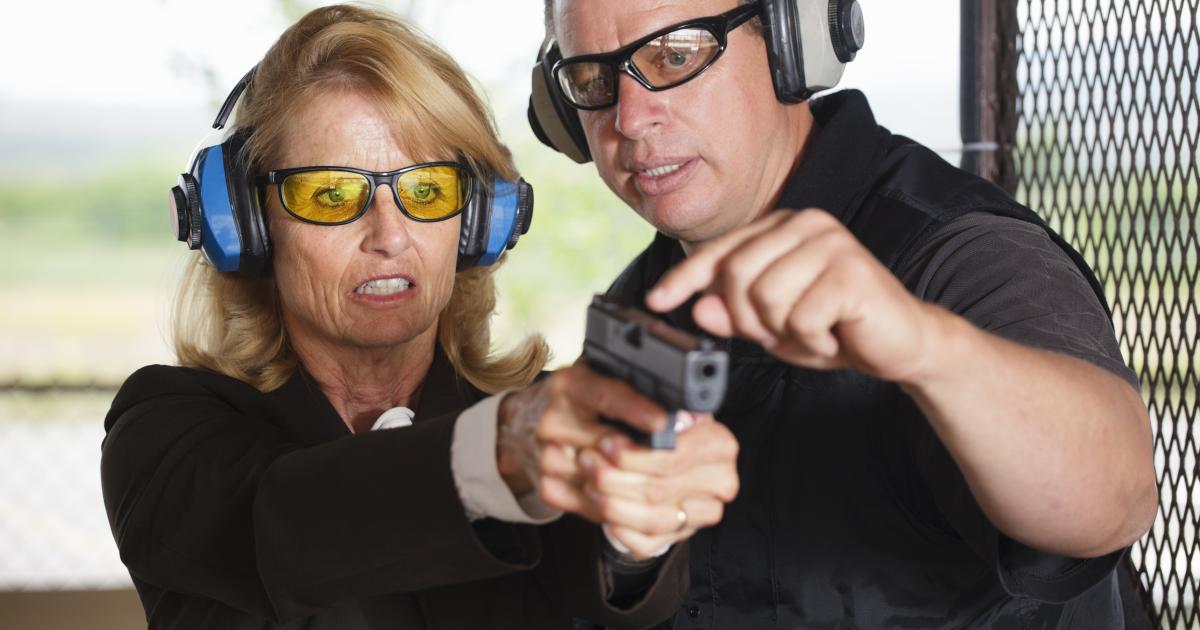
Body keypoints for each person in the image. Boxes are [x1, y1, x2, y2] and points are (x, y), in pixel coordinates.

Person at [494, 0, 1160, 627]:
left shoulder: (964, 254)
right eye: (592, 79)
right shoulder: (643, 297)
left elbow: (1112, 501)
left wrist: (928, 348)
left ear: (794, 42)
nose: (631, 118)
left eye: (675, 55)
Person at [100, 5, 739, 629]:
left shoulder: (547, 420)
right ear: (248, 221)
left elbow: (607, 577)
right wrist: (499, 455)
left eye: (428, 190)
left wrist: (639, 517)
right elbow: (283, 526)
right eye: (331, 194)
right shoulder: (162, 432)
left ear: (478, 220)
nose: (389, 236)